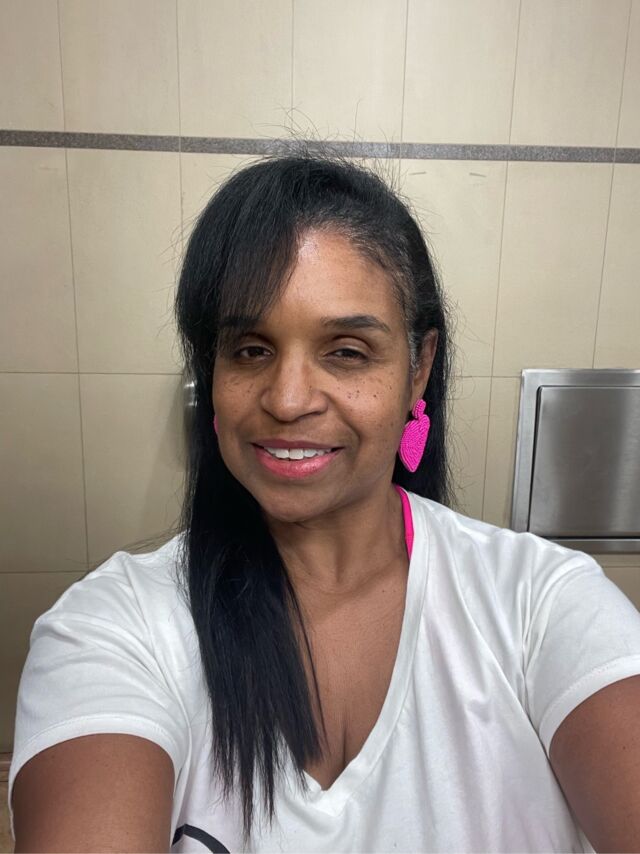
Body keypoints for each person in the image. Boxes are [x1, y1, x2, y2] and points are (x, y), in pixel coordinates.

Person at [8, 148, 640, 854]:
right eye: (251, 349)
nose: (287, 400)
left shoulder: (538, 605)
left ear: (419, 368)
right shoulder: (115, 628)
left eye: (346, 351)